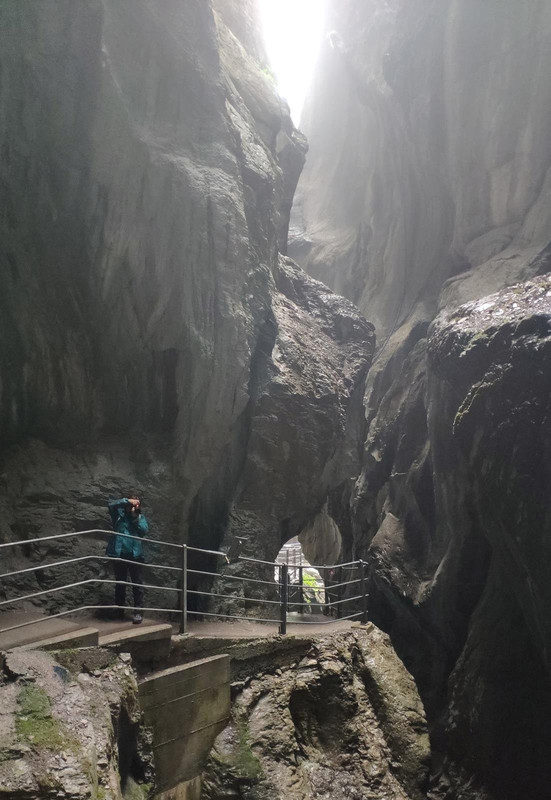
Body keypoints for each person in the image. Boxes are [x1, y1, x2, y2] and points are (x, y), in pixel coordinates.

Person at [106, 495, 149, 624]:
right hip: (120, 554)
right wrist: (127, 501)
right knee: (120, 583)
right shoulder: (118, 515)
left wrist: (136, 518)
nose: (133, 507)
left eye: (136, 504)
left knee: (137, 584)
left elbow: (144, 531)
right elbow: (111, 505)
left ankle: (138, 612)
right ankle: (119, 610)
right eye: (131, 504)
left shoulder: (140, 517)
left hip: (135, 555)